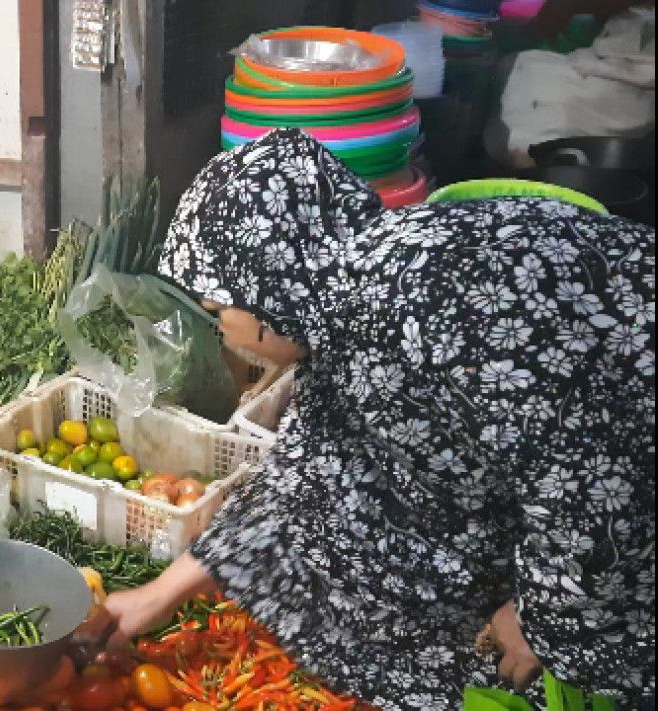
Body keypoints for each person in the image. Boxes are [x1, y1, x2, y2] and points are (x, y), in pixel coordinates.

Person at [103, 128, 655, 707]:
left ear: (264, 283)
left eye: (221, 311)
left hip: (627, 469)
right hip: (586, 468)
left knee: (580, 667)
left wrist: (541, 614)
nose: (227, 335)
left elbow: (593, 485)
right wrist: (158, 595)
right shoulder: (344, 294)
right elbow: (307, 479)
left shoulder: (431, 304)